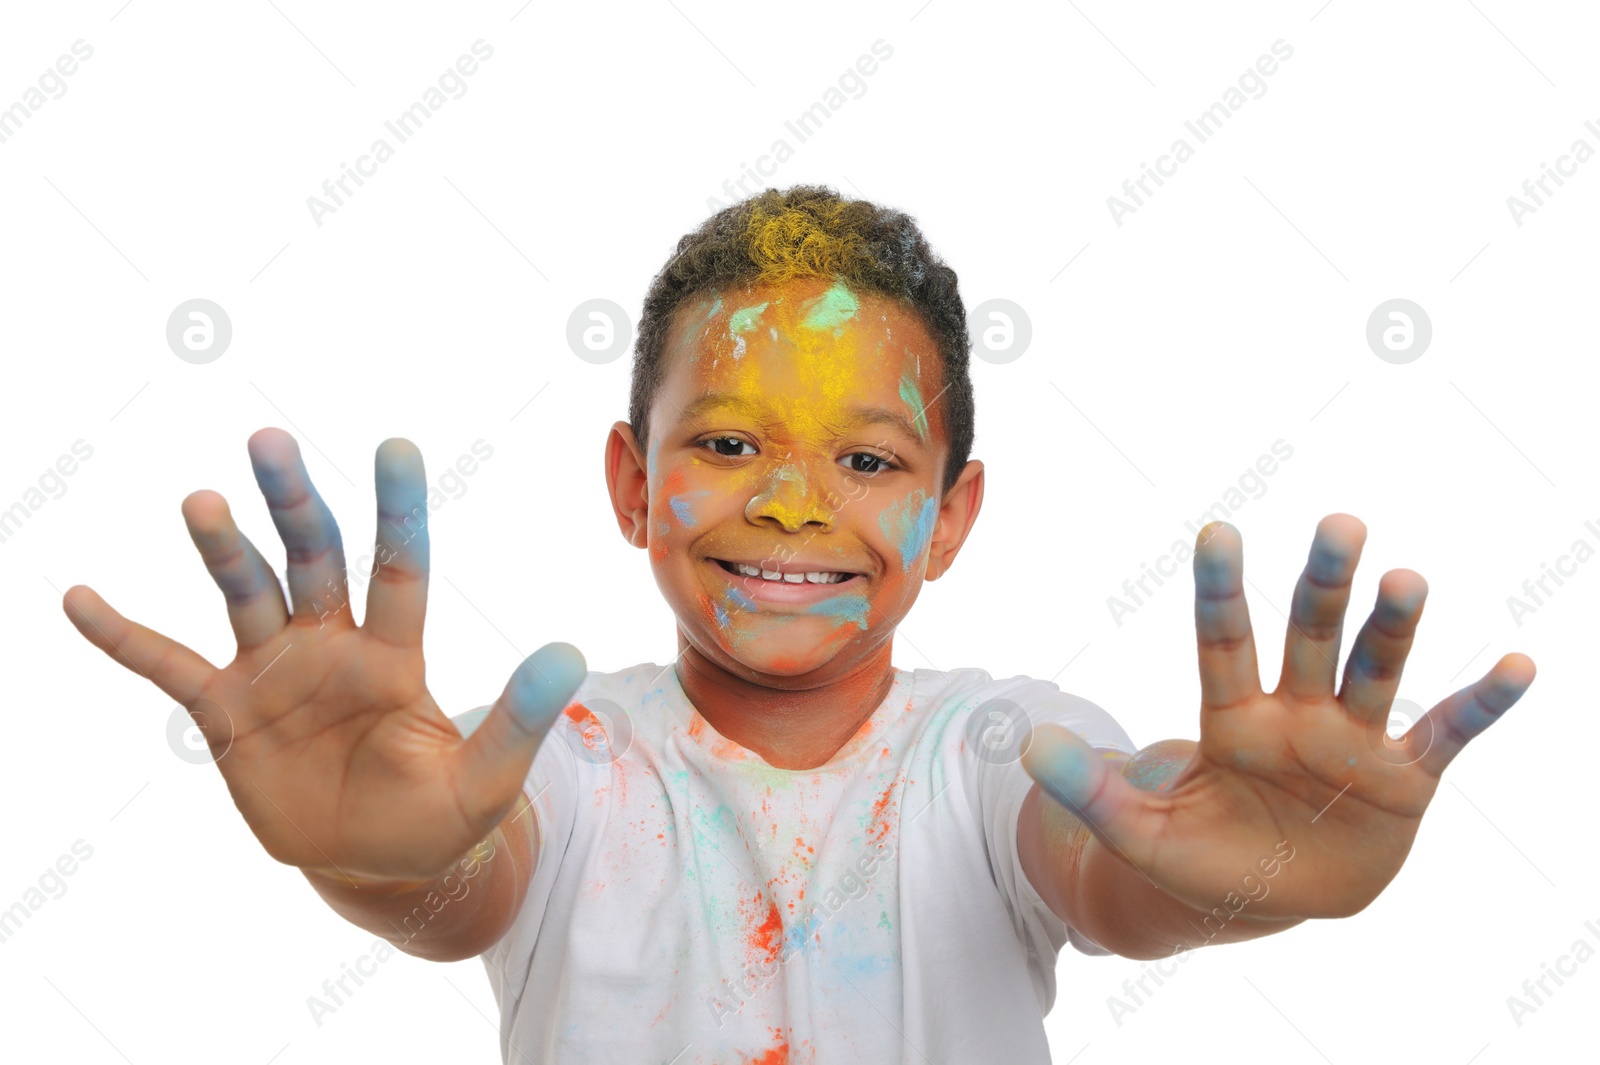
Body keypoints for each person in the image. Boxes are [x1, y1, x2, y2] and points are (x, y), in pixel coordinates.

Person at [62, 185, 1536, 1063]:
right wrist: (367, 851)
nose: (788, 507)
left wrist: (1258, 872)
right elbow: (463, 879)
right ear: (633, 483)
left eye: (870, 461)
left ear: (951, 517)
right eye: (724, 447)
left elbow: (1115, 865)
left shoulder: (996, 752)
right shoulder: (565, 761)